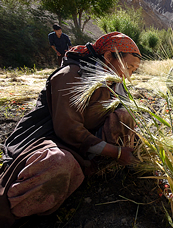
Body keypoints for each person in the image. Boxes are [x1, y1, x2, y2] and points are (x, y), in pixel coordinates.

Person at [0, 32, 141, 227]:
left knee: (125, 115)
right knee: (58, 163)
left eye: (134, 70)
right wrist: (116, 152)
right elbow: (68, 129)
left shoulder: (115, 82)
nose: (129, 74)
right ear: (108, 57)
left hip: (83, 143)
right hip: (50, 140)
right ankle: (16, 211)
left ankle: (91, 169)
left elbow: (125, 116)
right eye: (128, 66)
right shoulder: (70, 75)